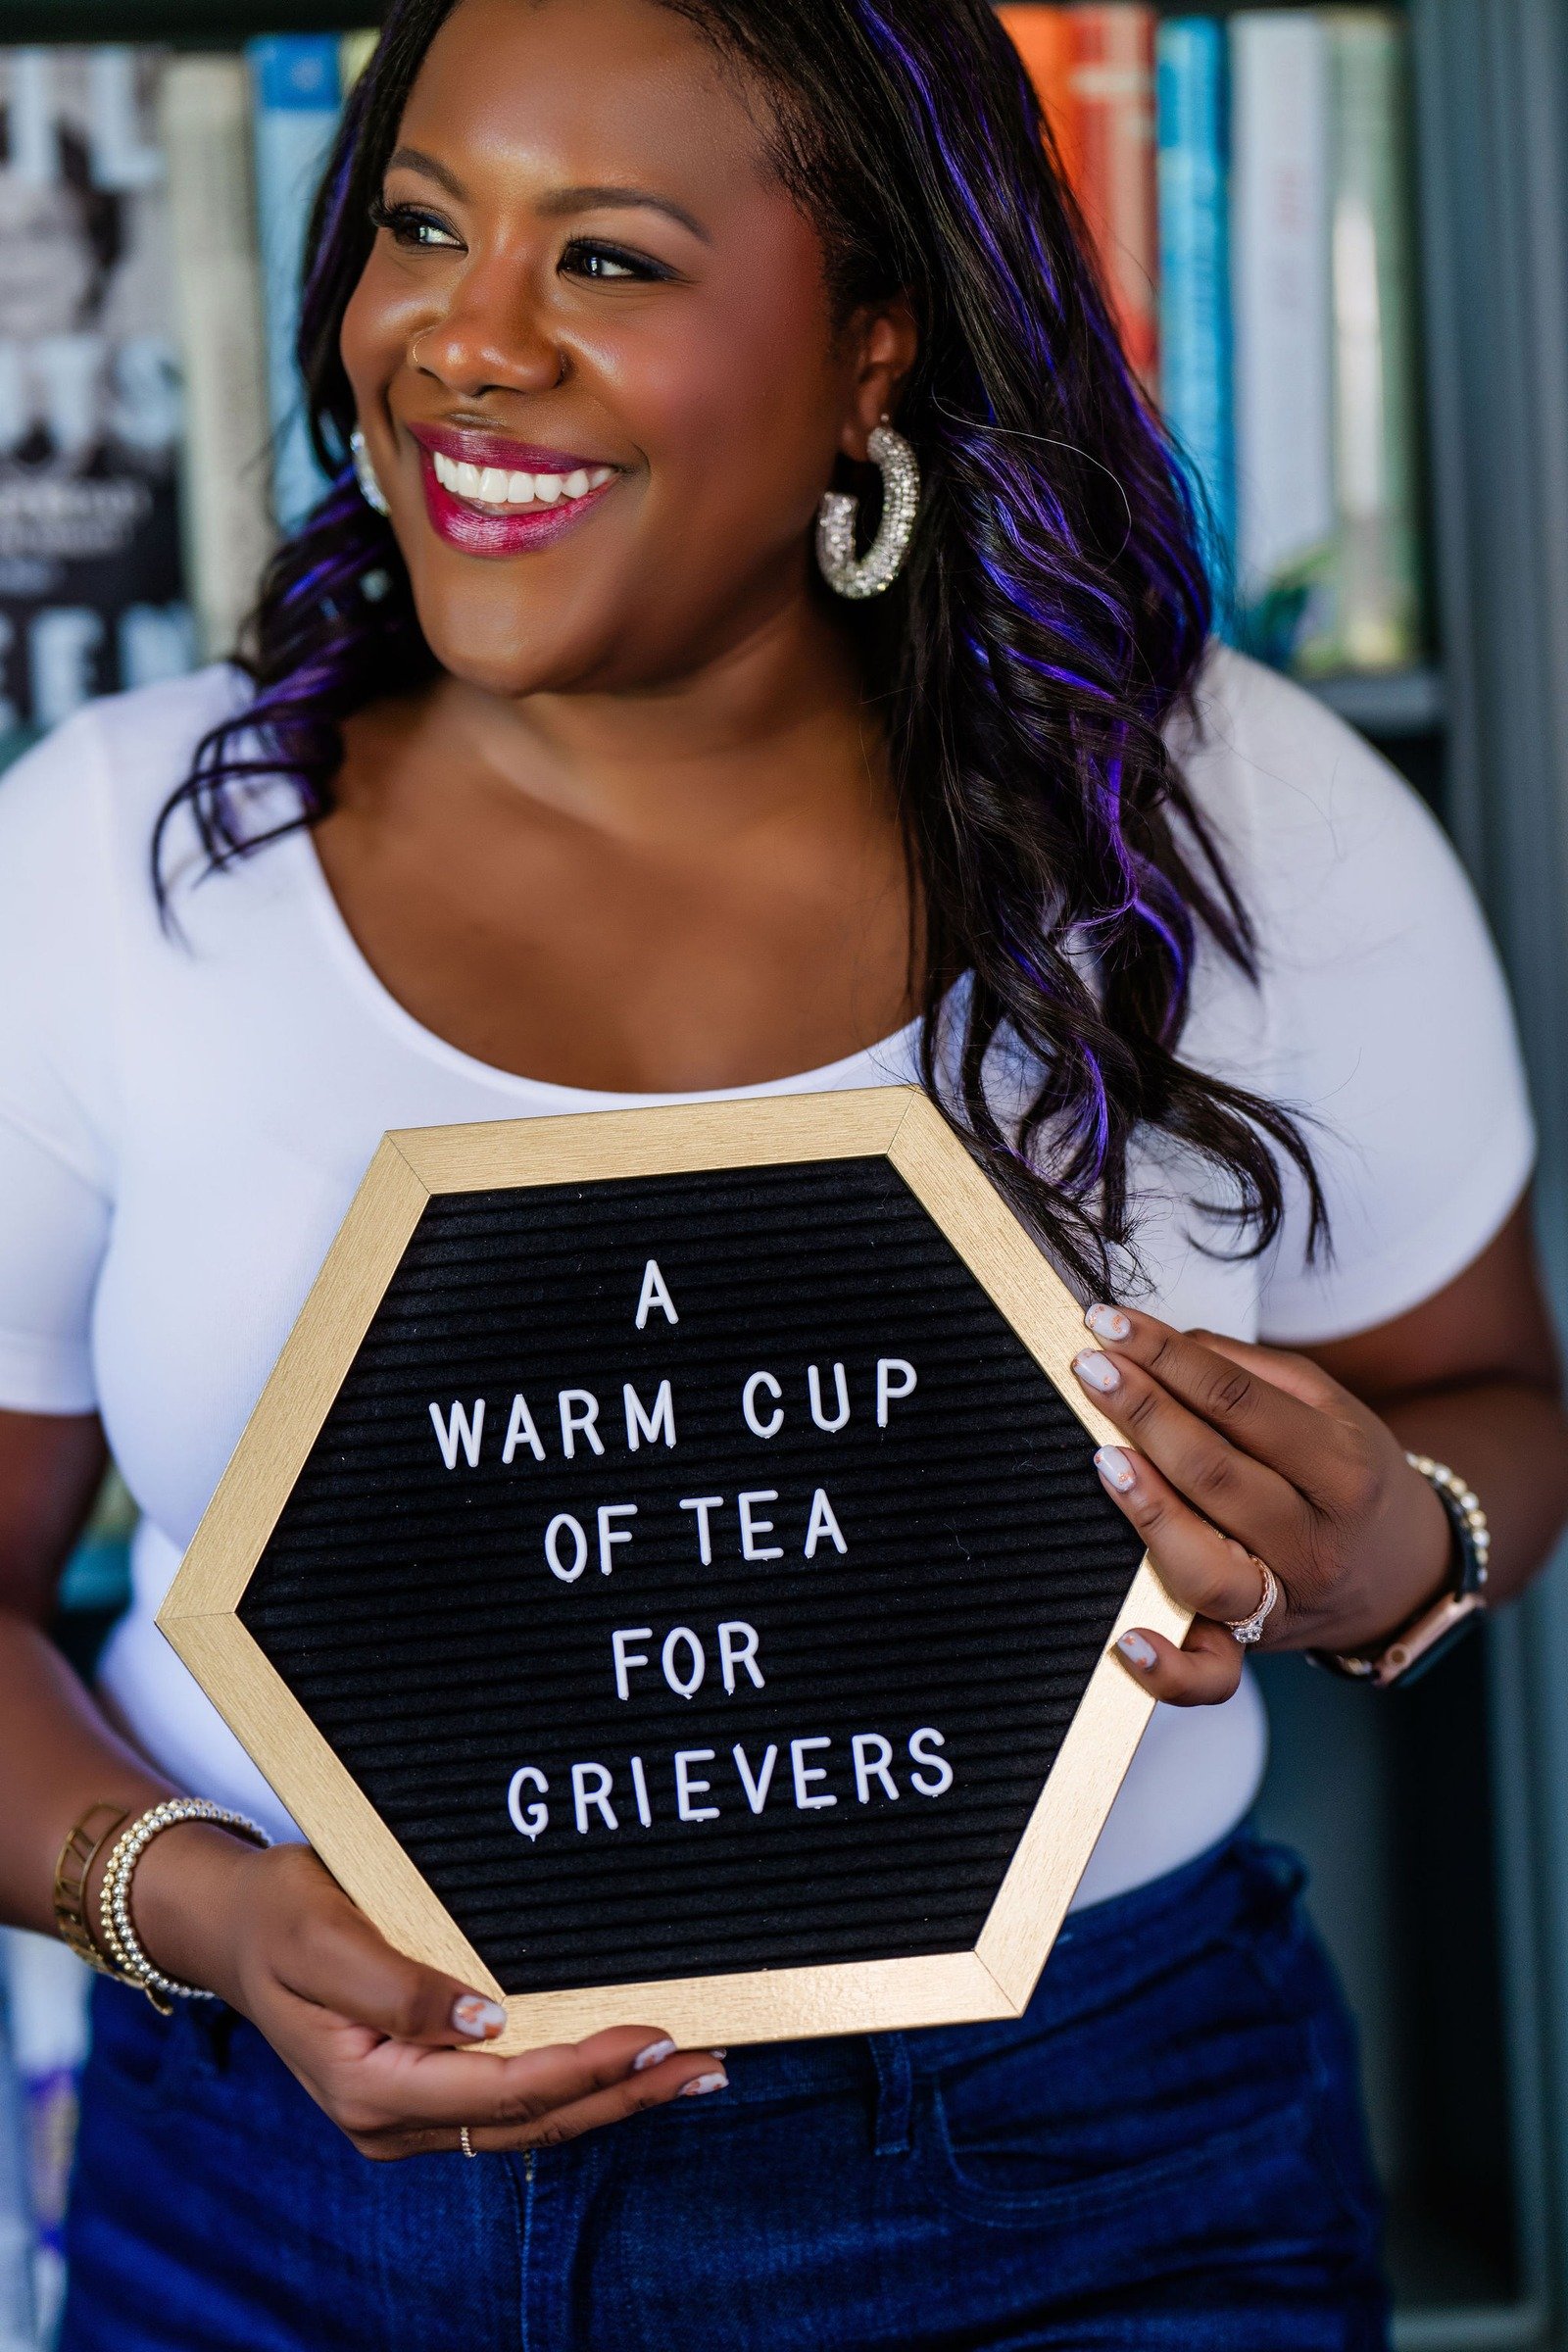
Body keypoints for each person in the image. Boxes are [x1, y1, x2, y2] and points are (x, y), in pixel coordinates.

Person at [0, 0, 1562, 2343]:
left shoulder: (1227, 820)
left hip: (1085, 2179)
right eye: (418, 224)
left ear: (870, 350)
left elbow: (1488, 1408)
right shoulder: (106, 858)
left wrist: (1376, 1545)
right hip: (286, 2216)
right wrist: (198, 1906)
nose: (463, 341)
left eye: (606, 258)